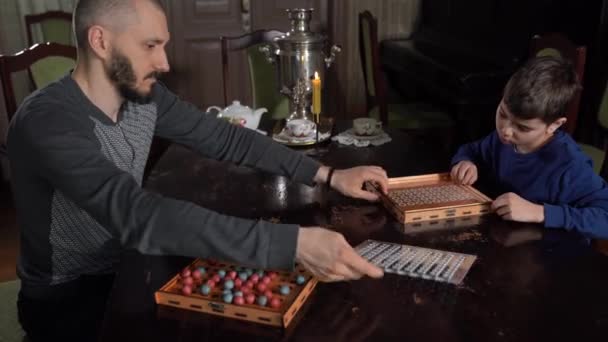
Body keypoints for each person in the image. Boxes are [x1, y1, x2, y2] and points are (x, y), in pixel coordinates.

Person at [7, 0, 387, 340]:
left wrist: (329, 176)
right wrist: (293, 244)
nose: (165, 62)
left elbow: (228, 139)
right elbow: (139, 216)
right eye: (150, 45)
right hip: (69, 296)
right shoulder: (48, 121)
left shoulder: (144, 95)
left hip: (130, 263)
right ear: (101, 41)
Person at [450, 56, 608, 239]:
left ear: (554, 125)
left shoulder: (569, 166)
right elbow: (473, 151)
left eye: (522, 127)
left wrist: (540, 212)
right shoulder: (502, 140)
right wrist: (466, 162)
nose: (506, 131)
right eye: (502, 114)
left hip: (550, 258)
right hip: (506, 241)